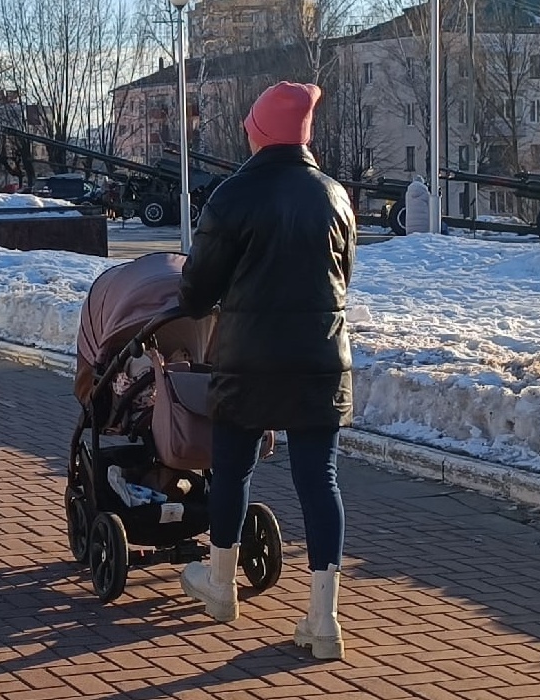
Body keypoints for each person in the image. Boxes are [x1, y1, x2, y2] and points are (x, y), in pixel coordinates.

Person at [176, 81, 356, 660]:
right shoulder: (335, 195)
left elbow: (199, 290)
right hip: (319, 359)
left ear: (257, 131)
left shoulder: (233, 196)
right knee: (319, 482)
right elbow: (342, 278)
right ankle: (323, 620)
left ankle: (221, 585)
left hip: (249, 358)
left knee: (230, 471)